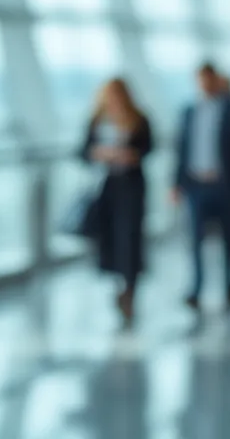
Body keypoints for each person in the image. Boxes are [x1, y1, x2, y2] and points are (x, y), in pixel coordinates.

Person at [173, 63, 230, 310]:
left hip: (225, 185)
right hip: (196, 185)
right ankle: (197, 288)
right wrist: (175, 183)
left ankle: (229, 285)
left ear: (216, 80)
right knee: (195, 239)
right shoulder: (189, 111)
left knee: (229, 237)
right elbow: (181, 149)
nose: (205, 84)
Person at [80, 78, 153, 325]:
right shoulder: (97, 120)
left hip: (131, 188)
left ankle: (130, 289)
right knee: (110, 239)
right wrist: (101, 154)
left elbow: (148, 148)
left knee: (130, 238)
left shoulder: (138, 120)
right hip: (106, 188)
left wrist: (130, 155)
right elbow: (82, 151)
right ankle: (118, 285)